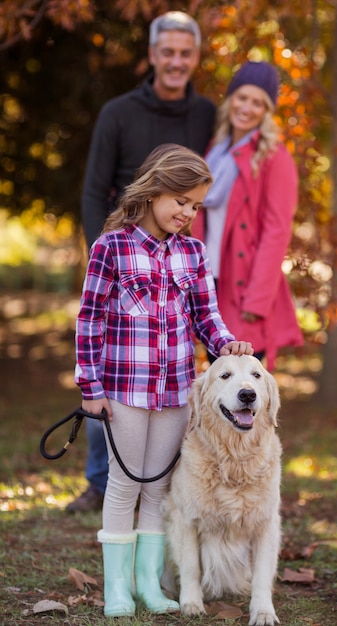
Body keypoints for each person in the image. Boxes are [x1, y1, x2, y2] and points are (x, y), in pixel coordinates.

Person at [74, 143, 253, 617]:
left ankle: (148, 584)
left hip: (176, 391)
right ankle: (116, 588)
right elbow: (89, 321)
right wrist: (91, 389)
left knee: (158, 489)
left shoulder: (192, 253)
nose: (187, 213)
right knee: (123, 484)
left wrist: (227, 344)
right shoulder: (110, 247)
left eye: (195, 205)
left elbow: (206, 317)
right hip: (124, 390)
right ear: (154, 190)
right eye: (181, 201)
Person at [67, 11, 216, 513]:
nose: (176, 61)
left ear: (195, 58)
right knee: (117, 376)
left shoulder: (205, 114)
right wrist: (108, 252)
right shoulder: (117, 112)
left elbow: (204, 182)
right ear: (152, 55)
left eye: (185, 53)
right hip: (124, 251)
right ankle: (99, 480)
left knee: (159, 462)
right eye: (167, 52)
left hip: (172, 261)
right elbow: (93, 189)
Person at [193, 60, 303, 371]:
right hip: (207, 278)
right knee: (212, 387)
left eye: (258, 102)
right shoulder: (215, 150)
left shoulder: (274, 157)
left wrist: (256, 301)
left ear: (267, 111)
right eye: (242, 97)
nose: (248, 107)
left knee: (239, 390)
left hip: (243, 287)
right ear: (230, 100)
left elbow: (277, 232)